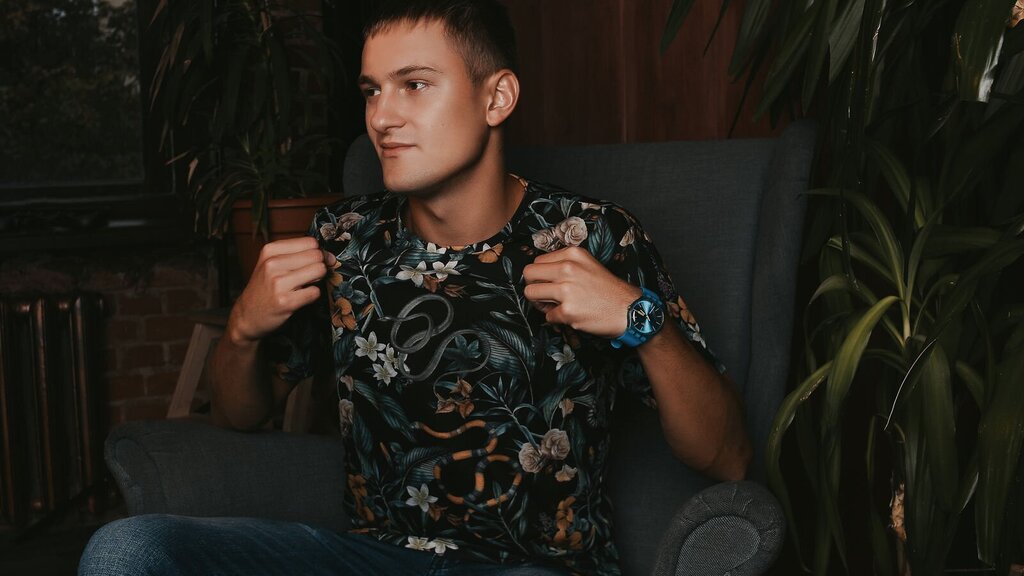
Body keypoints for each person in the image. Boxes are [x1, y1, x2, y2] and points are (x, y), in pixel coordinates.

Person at [79, 1, 751, 574]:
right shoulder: (342, 238)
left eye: (415, 85)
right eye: (373, 90)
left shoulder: (593, 235)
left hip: (533, 568)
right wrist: (241, 331)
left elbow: (728, 458)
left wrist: (643, 322)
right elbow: (238, 416)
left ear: (496, 98)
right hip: (373, 559)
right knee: (127, 549)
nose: (382, 117)